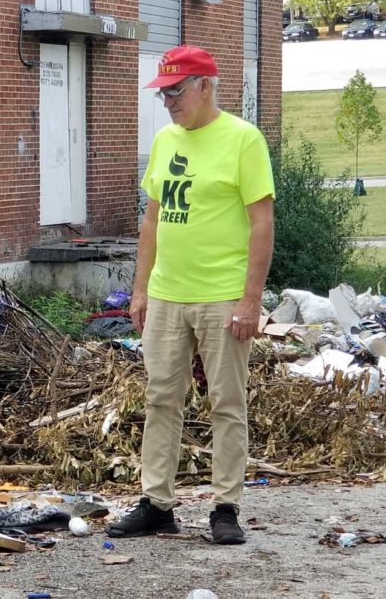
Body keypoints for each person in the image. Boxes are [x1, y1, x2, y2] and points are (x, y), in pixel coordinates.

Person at [107, 45, 275, 545]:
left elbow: (261, 223)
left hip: (222, 296)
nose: (169, 102)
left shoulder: (243, 141)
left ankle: (226, 508)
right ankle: (157, 503)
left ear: (206, 85)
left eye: (176, 91)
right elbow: (153, 219)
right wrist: (140, 290)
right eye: (163, 94)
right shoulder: (164, 141)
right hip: (166, 296)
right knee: (161, 400)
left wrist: (250, 300)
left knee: (226, 402)